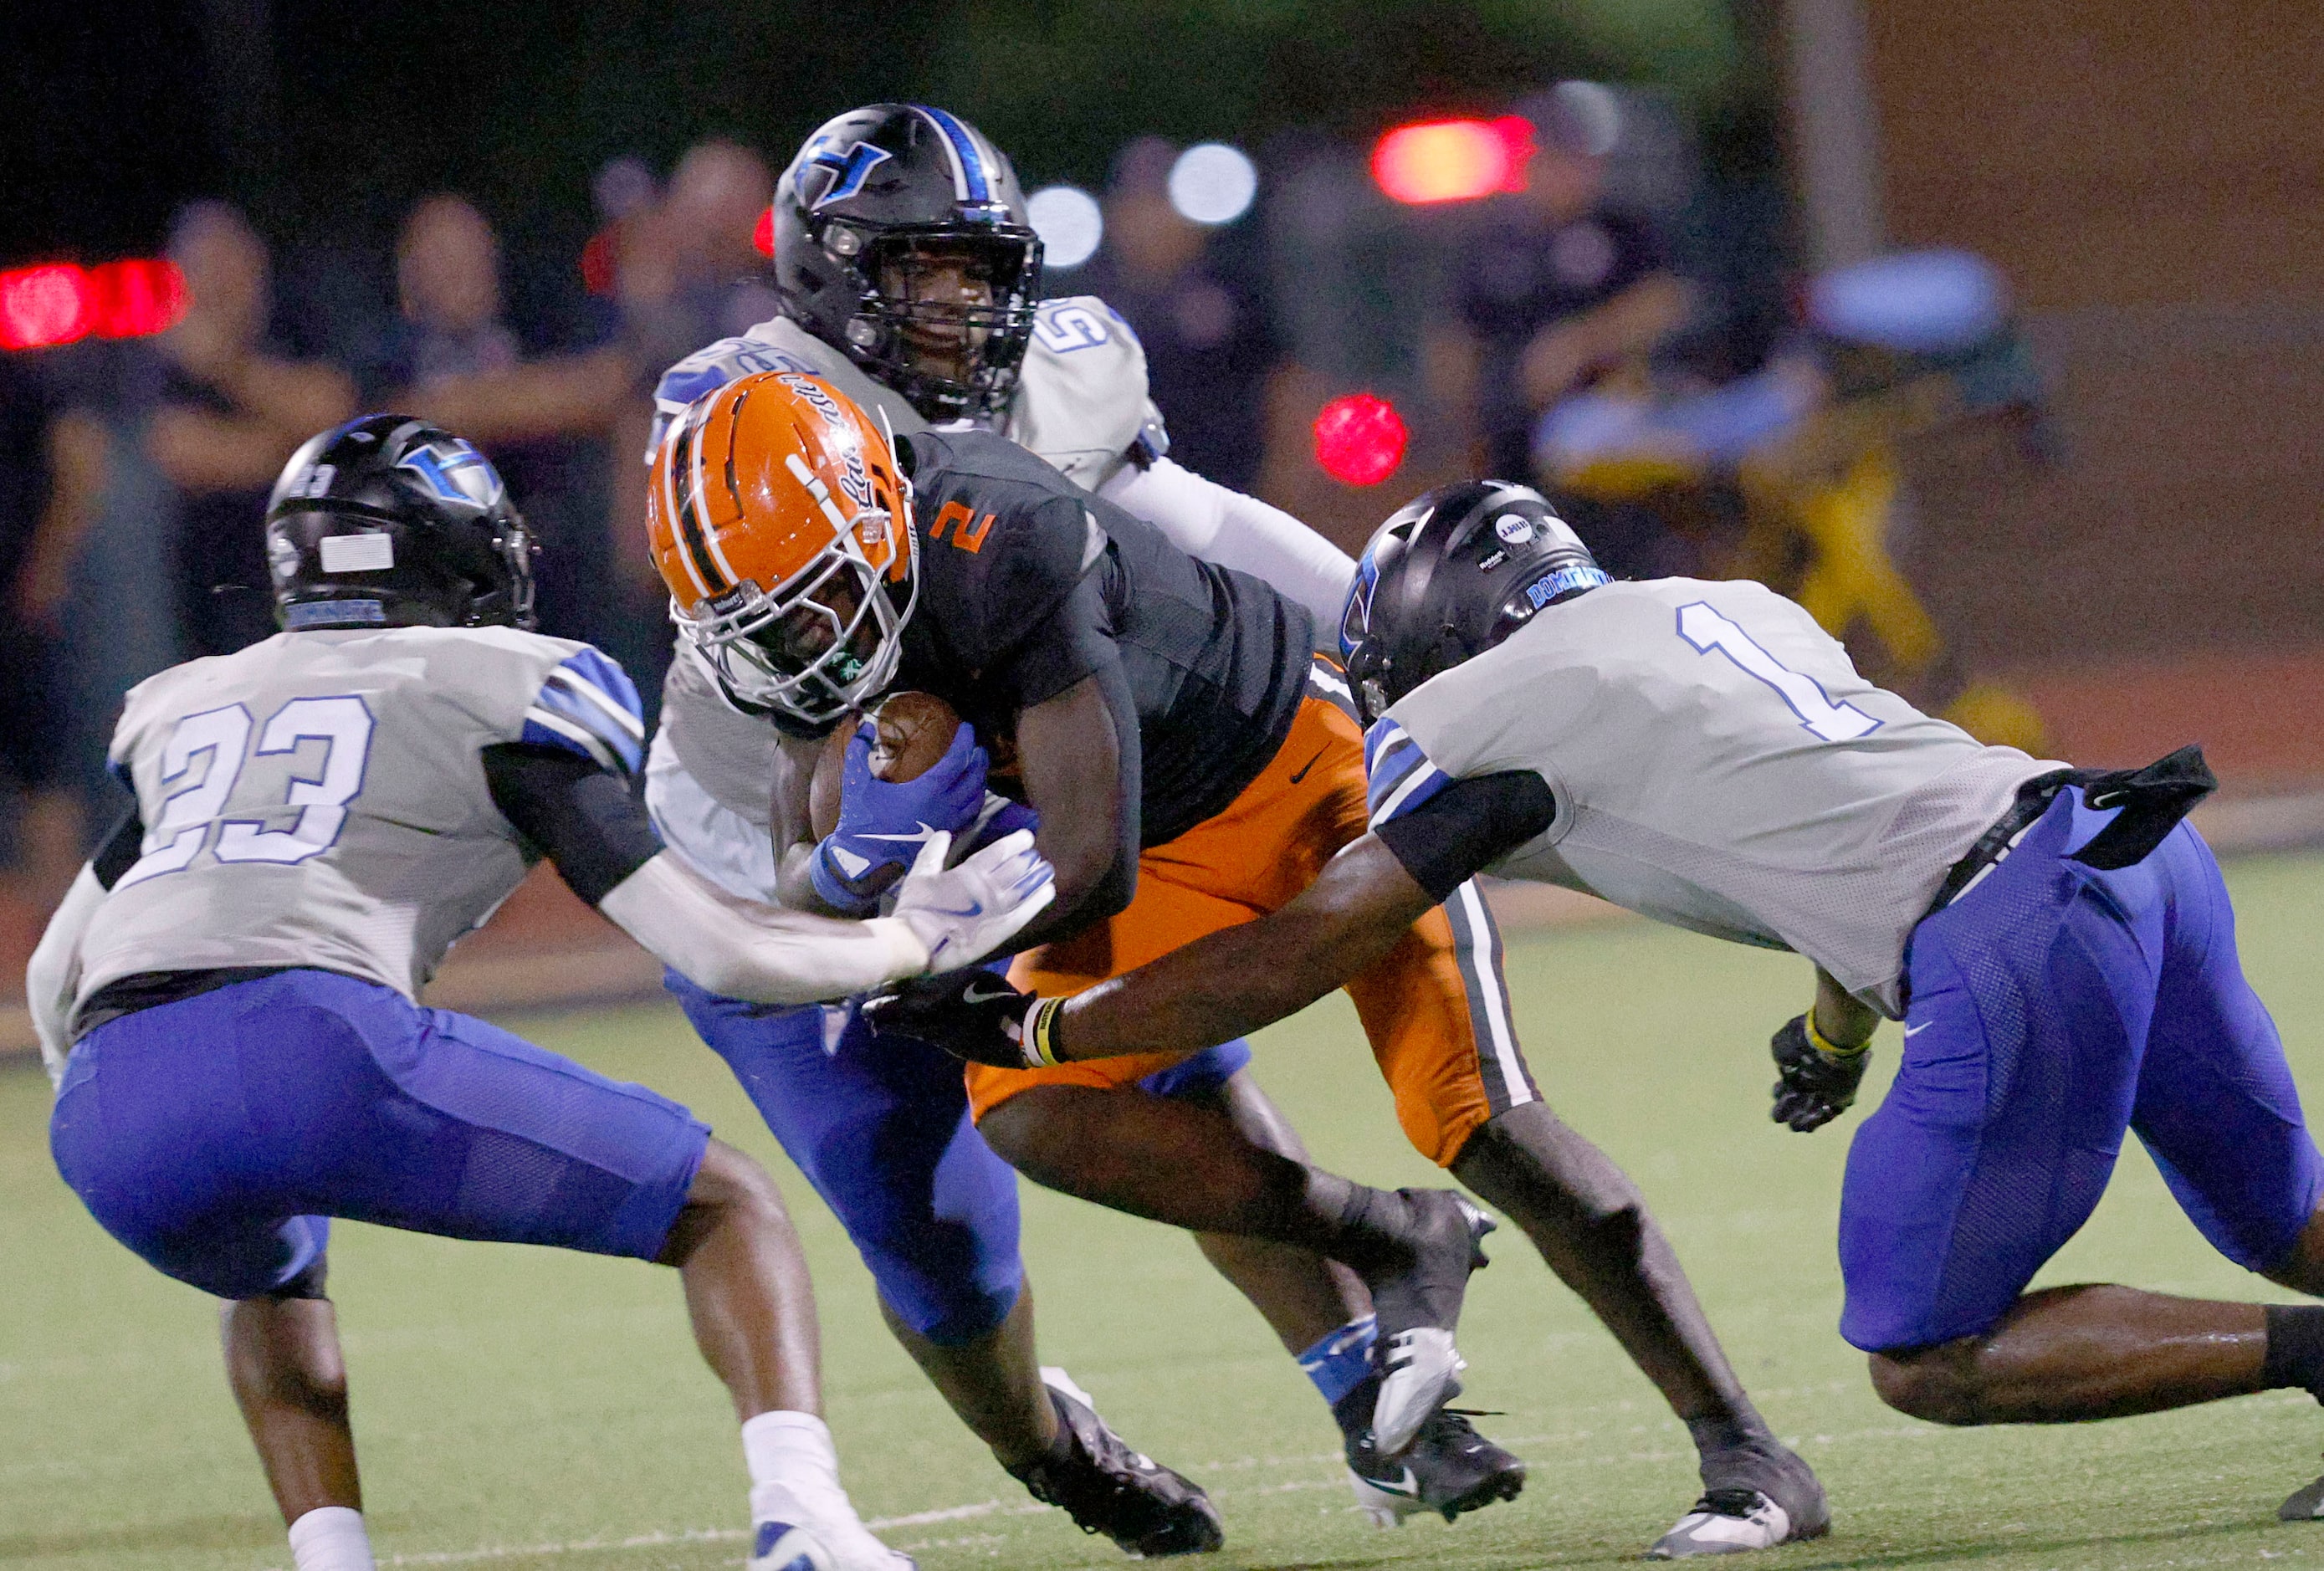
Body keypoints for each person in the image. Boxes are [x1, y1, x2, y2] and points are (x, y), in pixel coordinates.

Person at [878, 475, 2324, 1536]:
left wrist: (1047, 1028)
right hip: (2123, 849)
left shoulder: (1485, 709)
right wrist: (1830, 1032)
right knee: (2274, 1213)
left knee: (1926, 1350)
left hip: (2012, 934)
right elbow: (1853, 810)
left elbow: (1308, 944)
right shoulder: (1723, 606)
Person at [654, 371, 1822, 1557]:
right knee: (1034, 1110)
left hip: (1309, 780)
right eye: (762, 625)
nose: (796, 642)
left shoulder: (1002, 536)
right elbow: (796, 859)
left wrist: (921, 942)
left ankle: (1744, 1448)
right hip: (1163, 838)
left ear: (871, 519)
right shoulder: (794, 606)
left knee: (1478, 1114)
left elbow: (1087, 861)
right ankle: (1390, 1233)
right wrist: (851, 873)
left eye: (808, 609)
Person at [644, 104, 1518, 1537]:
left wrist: (1393, 638)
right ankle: (1049, 1448)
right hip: (761, 870)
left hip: (975, 828)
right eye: (925, 270)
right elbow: (807, 705)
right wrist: (849, 862)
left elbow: (1195, 519)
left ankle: (1366, 1378)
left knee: (1163, 1073)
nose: (966, 305)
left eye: (981, 269)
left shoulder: (1048, 375)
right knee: (940, 1256)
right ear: (833, 269)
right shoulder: (742, 407)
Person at [24, 415, 1057, 1571]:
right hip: (314, 1040)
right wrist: (906, 940)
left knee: (273, 1266)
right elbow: (718, 951)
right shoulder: (504, 684)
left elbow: (53, 972)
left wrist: (141, 1095)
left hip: (109, 1108)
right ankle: (803, 1519)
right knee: (726, 1207)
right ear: (458, 553)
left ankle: (333, 1557)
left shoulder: (189, 703)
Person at [1456, 90, 1692, 486]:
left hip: (1614, 418)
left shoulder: (1621, 231)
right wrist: (1469, 416)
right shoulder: (1497, 246)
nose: (1563, 172)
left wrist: (1580, 343)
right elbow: (1459, 343)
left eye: (1573, 158)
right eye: (1548, 157)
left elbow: (1666, 303)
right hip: (1513, 433)